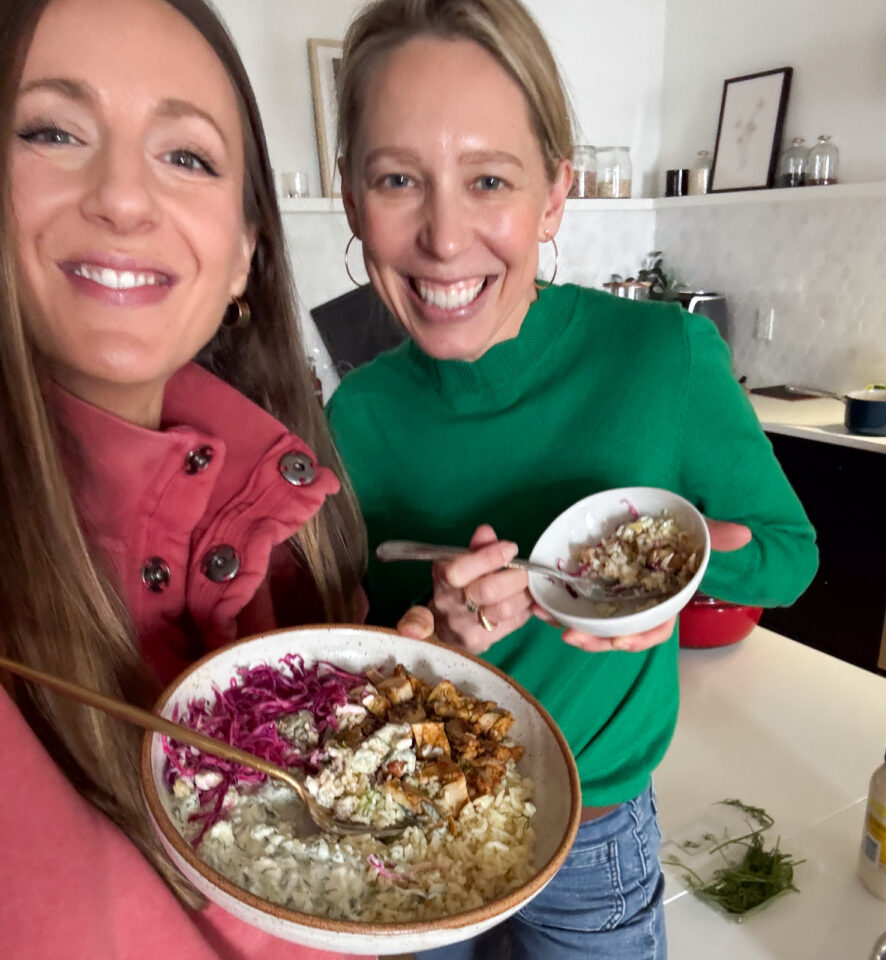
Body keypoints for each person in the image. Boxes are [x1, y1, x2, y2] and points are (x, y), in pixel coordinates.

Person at [325, 1, 819, 957]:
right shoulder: (355, 419)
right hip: (415, 823)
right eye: (397, 179)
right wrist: (428, 634)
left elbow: (788, 557)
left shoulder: (663, 356)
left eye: (489, 179)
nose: (444, 234)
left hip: (597, 832)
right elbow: (363, 656)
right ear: (352, 198)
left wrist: (673, 575)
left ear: (554, 194)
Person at [0, 0, 432, 957]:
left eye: (186, 156)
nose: (121, 197)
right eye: (50, 131)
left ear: (245, 252)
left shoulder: (295, 503)